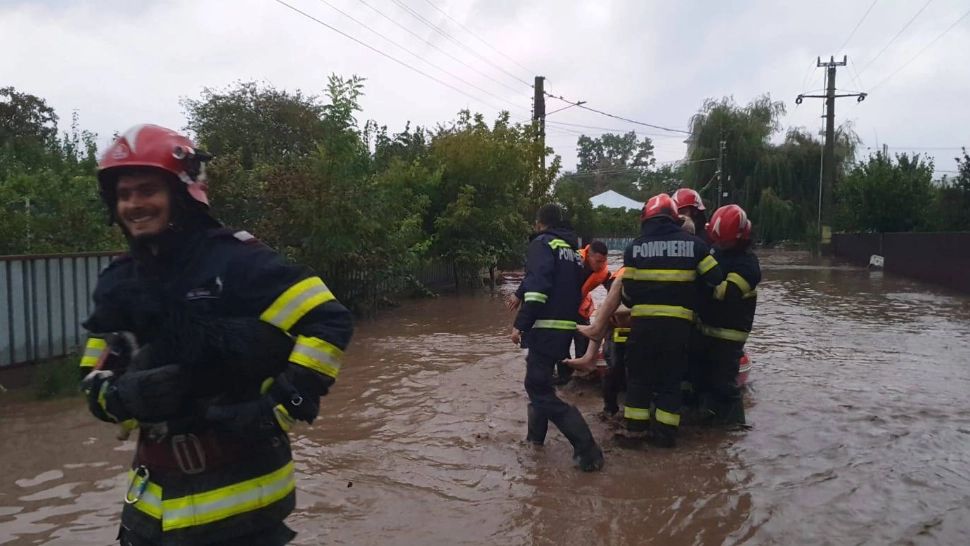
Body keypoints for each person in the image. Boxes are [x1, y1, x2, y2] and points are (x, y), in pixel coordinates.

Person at [78, 124, 354, 545]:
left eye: (148, 190)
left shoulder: (239, 262)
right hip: (150, 513)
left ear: (181, 191)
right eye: (124, 194)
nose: (134, 204)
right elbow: (94, 375)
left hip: (245, 509)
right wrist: (118, 397)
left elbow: (328, 320)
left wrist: (279, 407)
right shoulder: (119, 283)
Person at [619, 193, 724, 447]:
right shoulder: (696, 246)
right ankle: (665, 436)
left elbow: (629, 295)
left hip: (643, 328)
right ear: (675, 219)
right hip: (678, 329)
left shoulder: (634, 248)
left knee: (639, 380)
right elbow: (716, 280)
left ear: (647, 219)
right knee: (670, 381)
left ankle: (635, 433)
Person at [510, 203, 604, 472]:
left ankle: (587, 449)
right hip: (564, 328)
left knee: (537, 387)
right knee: (540, 385)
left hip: (545, 328)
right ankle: (535, 442)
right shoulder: (573, 252)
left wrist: (520, 324)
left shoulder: (542, 244)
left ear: (540, 223)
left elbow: (538, 289)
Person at [695, 204, 760, 425]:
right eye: (717, 240)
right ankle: (709, 421)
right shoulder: (717, 248)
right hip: (707, 330)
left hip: (729, 335)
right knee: (701, 379)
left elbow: (725, 293)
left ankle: (735, 427)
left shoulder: (748, 265)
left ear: (741, 237)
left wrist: (695, 286)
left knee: (724, 385)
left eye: (724, 241)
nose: (720, 244)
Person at [555, 240, 611, 385]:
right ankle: (564, 375)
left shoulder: (604, 272)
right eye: (598, 261)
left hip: (582, 308)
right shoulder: (573, 260)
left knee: (583, 342)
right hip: (563, 307)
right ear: (589, 255)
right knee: (560, 342)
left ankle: (583, 375)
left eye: (603, 261)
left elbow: (613, 290)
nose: (600, 265)